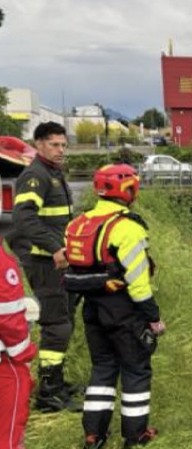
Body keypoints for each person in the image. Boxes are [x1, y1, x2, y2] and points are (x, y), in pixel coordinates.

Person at [63, 164, 164, 449]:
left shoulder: (78, 224)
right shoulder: (127, 228)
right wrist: (154, 318)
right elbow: (139, 283)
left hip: (92, 308)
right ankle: (135, 435)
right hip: (123, 309)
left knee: (103, 368)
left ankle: (94, 435)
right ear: (127, 190)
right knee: (136, 369)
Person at [9, 121, 80, 412]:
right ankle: (49, 393)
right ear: (39, 144)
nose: (60, 150)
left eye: (63, 145)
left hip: (58, 260)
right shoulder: (35, 175)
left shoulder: (53, 172)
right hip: (44, 261)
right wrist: (54, 248)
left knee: (65, 319)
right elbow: (24, 219)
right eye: (54, 144)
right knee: (56, 325)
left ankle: (57, 382)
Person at [0, 237, 38, 449]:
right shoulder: (2, 263)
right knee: (8, 438)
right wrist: (24, 357)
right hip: (4, 364)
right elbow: (9, 317)